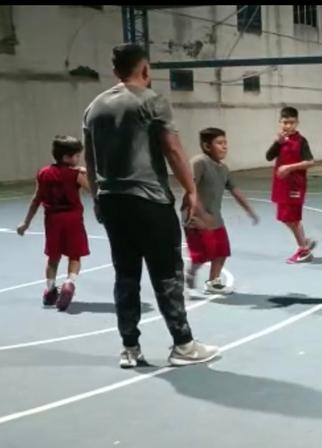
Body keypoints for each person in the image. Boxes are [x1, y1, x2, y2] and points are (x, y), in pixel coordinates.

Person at [83, 43, 219, 368]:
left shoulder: (93, 108)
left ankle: (129, 347)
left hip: (112, 202)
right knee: (167, 274)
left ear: (115, 71)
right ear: (145, 69)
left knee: (125, 274)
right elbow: (171, 148)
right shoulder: (152, 100)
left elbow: (89, 159)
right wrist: (191, 189)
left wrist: (98, 197)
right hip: (149, 202)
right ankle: (183, 344)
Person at [17, 136, 90, 312]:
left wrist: (25, 222)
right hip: (73, 220)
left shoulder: (43, 173)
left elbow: (36, 199)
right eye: (76, 156)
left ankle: (50, 289)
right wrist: (86, 173)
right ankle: (69, 282)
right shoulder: (76, 175)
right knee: (74, 255)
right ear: (67, 157)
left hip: (52, 221)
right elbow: (93, 190)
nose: (78, 159)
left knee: (53, 257)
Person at [185, 127, 259, 295]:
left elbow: (235, 190)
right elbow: (191, 189)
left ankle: (214, 282)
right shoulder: (199, 162)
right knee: (201, 255)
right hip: (196, 216)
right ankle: (190, 281)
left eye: (225, 143)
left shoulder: (223, 168)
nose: (224, 146)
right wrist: (200, 215)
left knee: (222, 250)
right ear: (206, 146)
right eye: (219, 143)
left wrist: (249, 210)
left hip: (215, 217)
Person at [266, 107, 317, 264]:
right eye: (285, 122)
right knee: (285, 218)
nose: (288, 126)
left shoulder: (301, 141)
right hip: (281, 185)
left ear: (297, 123)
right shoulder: (280, 141)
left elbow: (310, 162)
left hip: (295, 186)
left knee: (292, 218)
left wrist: (289, 168)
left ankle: (303, 250)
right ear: (280, 123)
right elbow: (269, 157)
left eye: (291, 122)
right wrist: (277, 143)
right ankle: (304, 241)